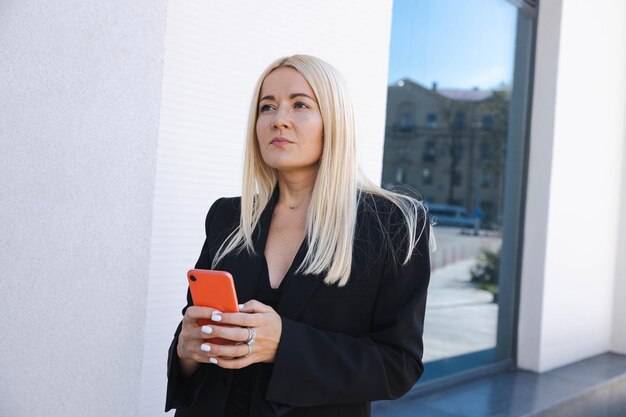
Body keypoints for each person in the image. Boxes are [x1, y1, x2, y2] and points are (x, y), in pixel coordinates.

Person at [165, 54, 431, 417]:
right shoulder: (228, 216)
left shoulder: (393, 224)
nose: (279, 120)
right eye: (267, 107)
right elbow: (194, 328)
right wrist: (186, 350)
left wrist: (284, 344)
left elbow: (398, 365)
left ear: (334, 121)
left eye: (300, 104)